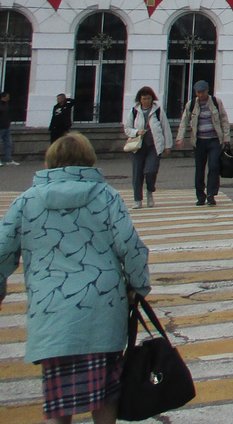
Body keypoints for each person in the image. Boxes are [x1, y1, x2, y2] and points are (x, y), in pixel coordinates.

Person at [0, 132, 151, 424]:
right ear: (88, 160)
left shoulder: (27, 201)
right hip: (101, 309)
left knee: (59, 403)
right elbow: (130, 245)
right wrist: (138, 286)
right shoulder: (106, 196)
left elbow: (2, 249)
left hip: (52, 312)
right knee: (105, 396)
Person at [176, 80, 230, 207]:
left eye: (202, 92)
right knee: (200, 169)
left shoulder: (216, 102)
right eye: (198, 92)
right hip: (199, 141)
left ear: (207, 91)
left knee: (214, 166)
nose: (200, 95)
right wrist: (180, 138)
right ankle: (200, 196)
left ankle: (211, 194)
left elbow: (224, 119)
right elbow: (184, 121)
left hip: (214, 140)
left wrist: (226, 138)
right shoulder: (191, 104)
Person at [123, 87, 173, 209]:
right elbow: (127, 128)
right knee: (137, 173)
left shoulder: (158, 111)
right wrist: (136, 132)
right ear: (140, 99)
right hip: (138, 147)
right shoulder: (134, 111)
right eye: (144, 99)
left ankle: (150, 191)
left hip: (154, 147)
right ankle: (137, 200)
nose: (146, 101)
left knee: (151, 171)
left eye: (148, 98)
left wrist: (168, 145)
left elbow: (165, 128)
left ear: (152, 99)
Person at [0, 91, 16, 166]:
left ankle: (9, 159)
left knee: (8, 143)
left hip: (6, 126)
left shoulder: (6, 104)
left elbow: (8, 114)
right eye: (7, 97)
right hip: (1, 127)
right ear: (2, 97)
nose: (8, 99)